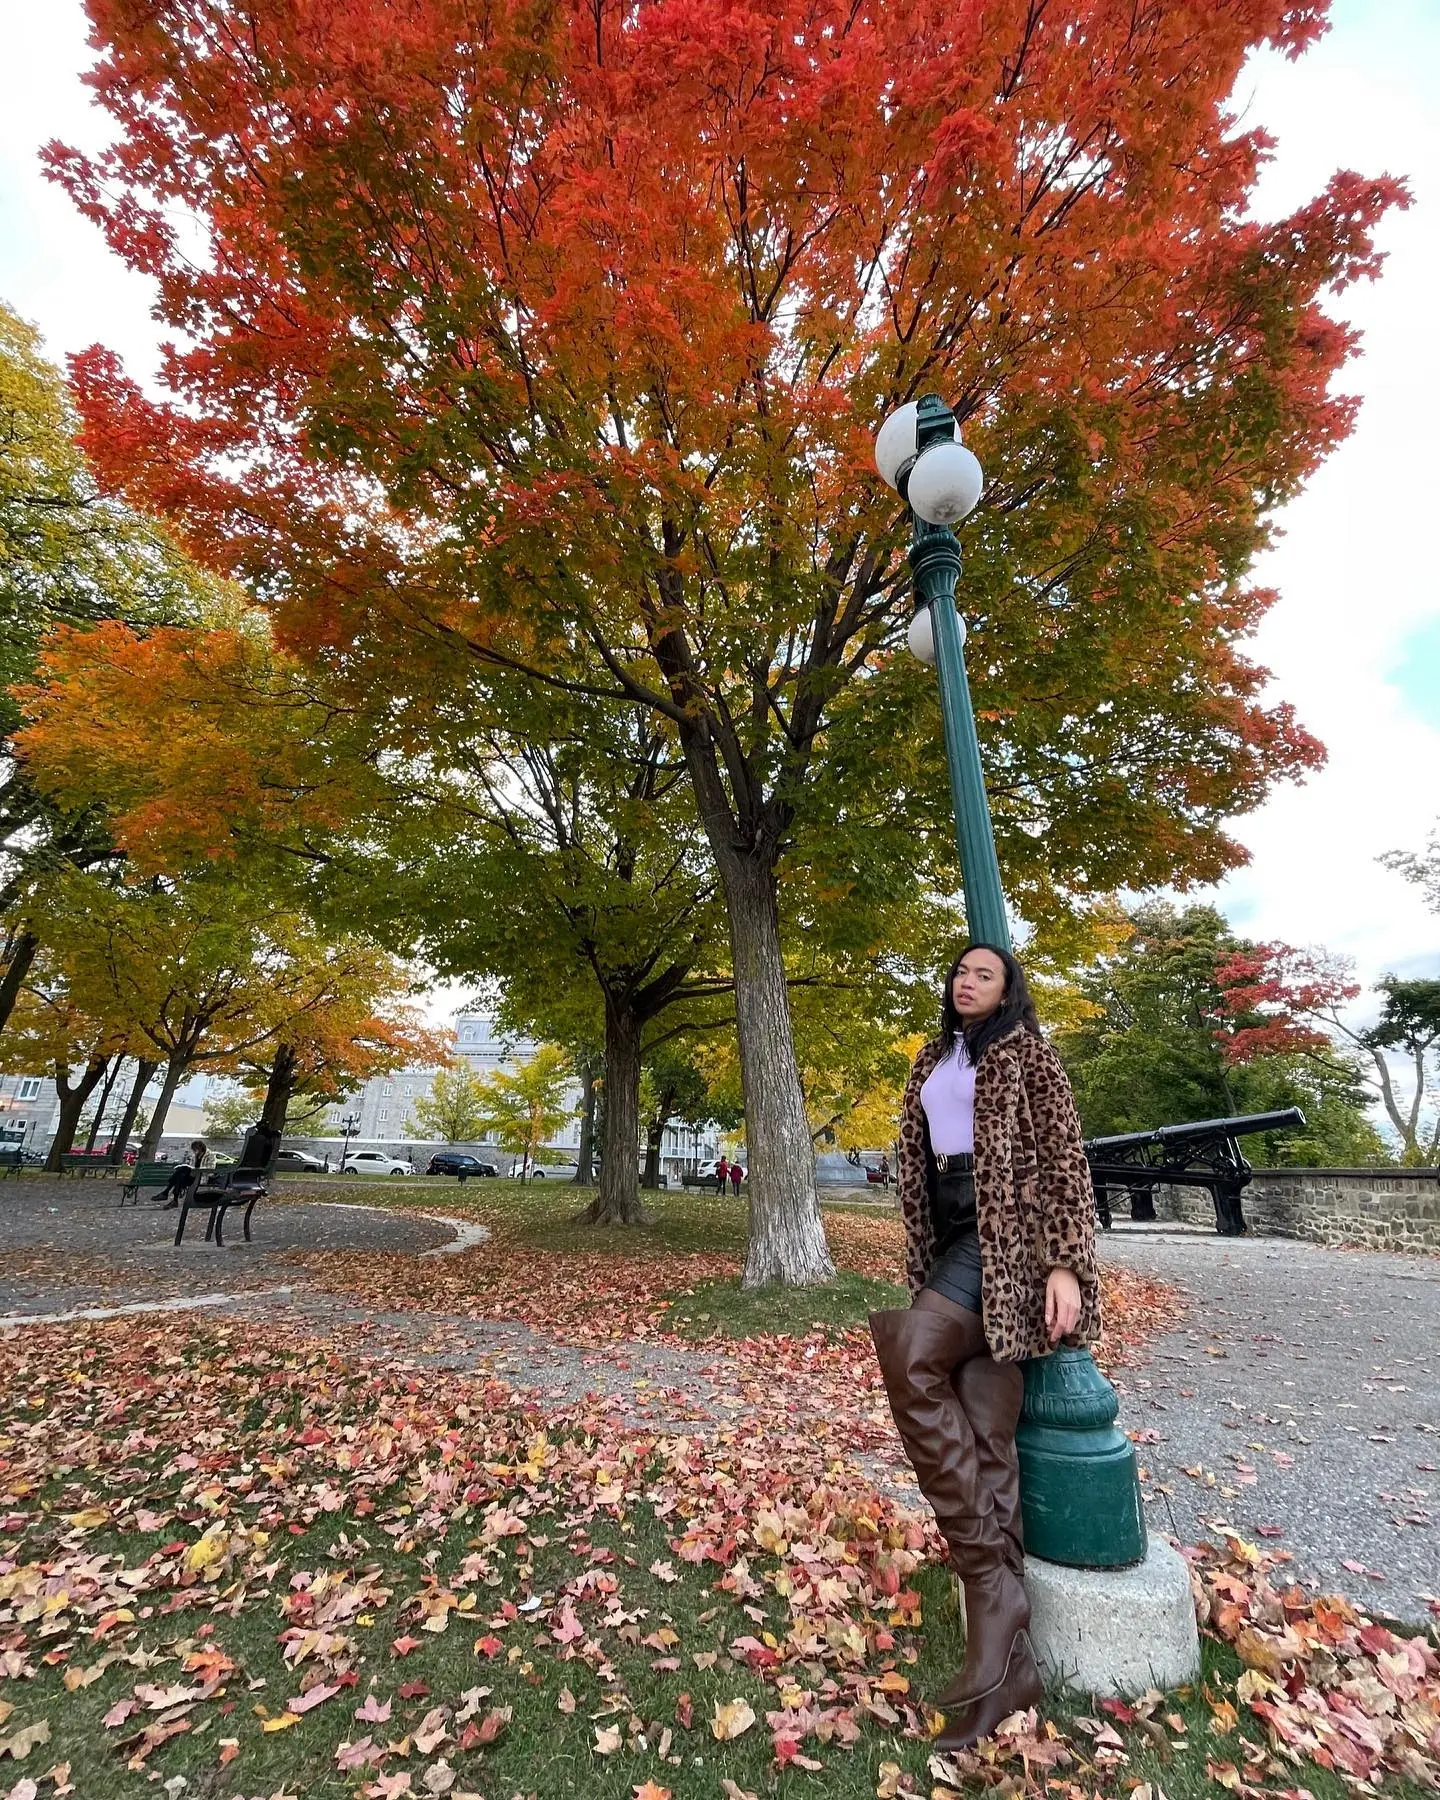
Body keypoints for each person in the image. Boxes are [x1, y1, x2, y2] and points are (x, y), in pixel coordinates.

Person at [868, 943, 1098, 1750]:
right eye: (960, 972)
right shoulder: (938, 1054)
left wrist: (1065, 1264)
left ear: (1008, 991)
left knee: (909, 1354)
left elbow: (1066, 1159)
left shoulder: (1027, 1053)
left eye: (984, 974)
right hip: (950, 1233)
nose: (966, 981)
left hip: (1007, 1247)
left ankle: (989, 1590)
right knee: (987, 1439)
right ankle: (1010, 1668)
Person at [157, 1140, 215, 1209]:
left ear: (201, 1148)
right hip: (192, 1176)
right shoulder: (195, 1156)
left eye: (195, 1149)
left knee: (181, 1175)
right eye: (193, 1150)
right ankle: (170, 1197)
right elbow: (191, 1166)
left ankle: (167, 1194)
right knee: (181, 1172)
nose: (194, 1151)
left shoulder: (210, 1155)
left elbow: (211, 1169)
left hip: (201, 1177)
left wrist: (197, 1169)